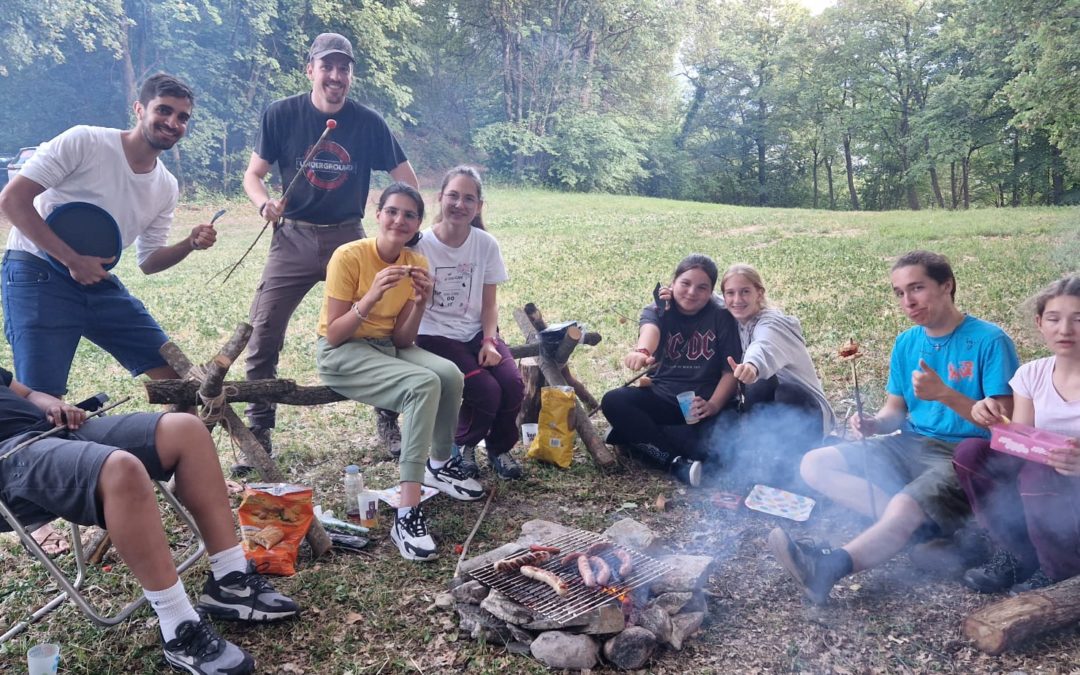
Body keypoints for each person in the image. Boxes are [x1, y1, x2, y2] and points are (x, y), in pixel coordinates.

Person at [0, 367, 299, 674]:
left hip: (52, 430)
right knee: (121, 468)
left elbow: (26, 393)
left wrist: (52, 405)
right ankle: (178, 625)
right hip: (10, 459)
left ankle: (231, 579)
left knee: (186, 429)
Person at [769, 250, 1020, 605]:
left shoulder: (989, 341)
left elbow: (1005, 426)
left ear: (946, 285)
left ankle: (827, 568)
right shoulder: (906, 343)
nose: (908, 301)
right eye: (899, 292)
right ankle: (919, 532)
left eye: (916, 288)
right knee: (814, 463)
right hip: (910, 442)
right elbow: (895, 412)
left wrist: (945, 394)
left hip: (963, 454)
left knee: (902, 506)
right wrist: (874, 422)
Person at [240, 32, 419, 472]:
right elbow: (254, 175)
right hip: (294, 236)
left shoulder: (368, 122)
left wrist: (397, 223)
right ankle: (258, 429)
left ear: (350, 74)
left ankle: (387, 416)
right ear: (311, 69)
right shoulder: (281, 114)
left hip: (350, 236)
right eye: (328, 66)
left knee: (374, 325)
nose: (336, 76)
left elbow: (407, 179)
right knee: (265, 328)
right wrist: (264, 203)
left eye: (344, 68)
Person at [0, 73, 217, 398]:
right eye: (164, 110)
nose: (173, 122)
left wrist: (189, 244)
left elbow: (148, 261)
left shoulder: (166, 186)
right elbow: (12, 200)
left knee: (177, 380)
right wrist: (71, 259)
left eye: (182, 117)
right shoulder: (86, 141)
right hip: (36, 272)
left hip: (96, 281)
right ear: (140, 109)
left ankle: (175, 444)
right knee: (42, 401)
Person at [315, 183, 484, 562]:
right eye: (392, 211)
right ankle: (407, 512)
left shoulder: (416, 263)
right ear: (378, 214)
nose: (399, 220)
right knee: (423, 383)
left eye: (409, 215)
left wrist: (420, 303)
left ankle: (439, 465)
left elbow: (402, 339)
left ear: (417, 223)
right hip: (340, 353)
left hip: (385, 347)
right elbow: (336, 334)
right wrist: (371, 295)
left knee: (450, 374)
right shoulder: (348, 256)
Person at [953, 274, 1080, 593]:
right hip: (1043, 492)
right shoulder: (1031, 374)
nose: (1064, 330)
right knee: (972, 453)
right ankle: (1018, 554)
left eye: (1078, 319)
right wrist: (994, 418)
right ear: (1040, 323)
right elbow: (1020, 445)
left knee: (1039, 470)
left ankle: (1060, 570)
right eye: (1054, 318)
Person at [414, 167, 525, 480]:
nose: (459, 204)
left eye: (468, 198)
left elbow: (489, 304)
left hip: (476, 332)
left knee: (513, 384)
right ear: (440, 198)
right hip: (434, 335)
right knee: (485, 389)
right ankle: (460, 446)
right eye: (453, 195)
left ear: (479, 206)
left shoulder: (485, 244)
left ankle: (499, 448)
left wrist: (490, 341)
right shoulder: (420, 244)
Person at [601, 254, 742, 486]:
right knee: (614, 400)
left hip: (701, 406)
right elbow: (650, 330)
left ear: (711, 292)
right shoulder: (659, 308)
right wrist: (643, 352)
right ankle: (675, 463)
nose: (691, 292)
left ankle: (635, 438)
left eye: (702, 287)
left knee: (718, 454)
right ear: (673, 282)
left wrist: (713, 405)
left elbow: (730, 372)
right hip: (662, 398)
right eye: (685, 283)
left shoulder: (721, 315)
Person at [720, 263, 836, 485]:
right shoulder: (735, 315)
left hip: (807, 411)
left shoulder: (773, 323)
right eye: (730, 293)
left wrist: (752, 365)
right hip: (774, 415)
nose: (737, 299)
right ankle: (766, 455)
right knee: (761, 386)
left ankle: (801, 461)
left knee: (776, 387)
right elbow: (708, 300)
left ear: (759, 293)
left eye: (745, 291)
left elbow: (764, 345)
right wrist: (675, 296)